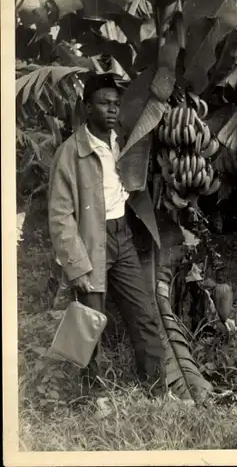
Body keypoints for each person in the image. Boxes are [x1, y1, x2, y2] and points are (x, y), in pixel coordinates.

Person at [48, 73, 167, 397]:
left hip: (122, 237)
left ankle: (156, 392)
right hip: (90, 242)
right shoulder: (71, 153)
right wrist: (77, 266)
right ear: (88, 108)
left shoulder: (128, 142)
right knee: (89, 323)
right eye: (103, 103)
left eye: (115, 103)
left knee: (144, 315)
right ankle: (92, 398)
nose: (111, 109)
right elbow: (60, 215)